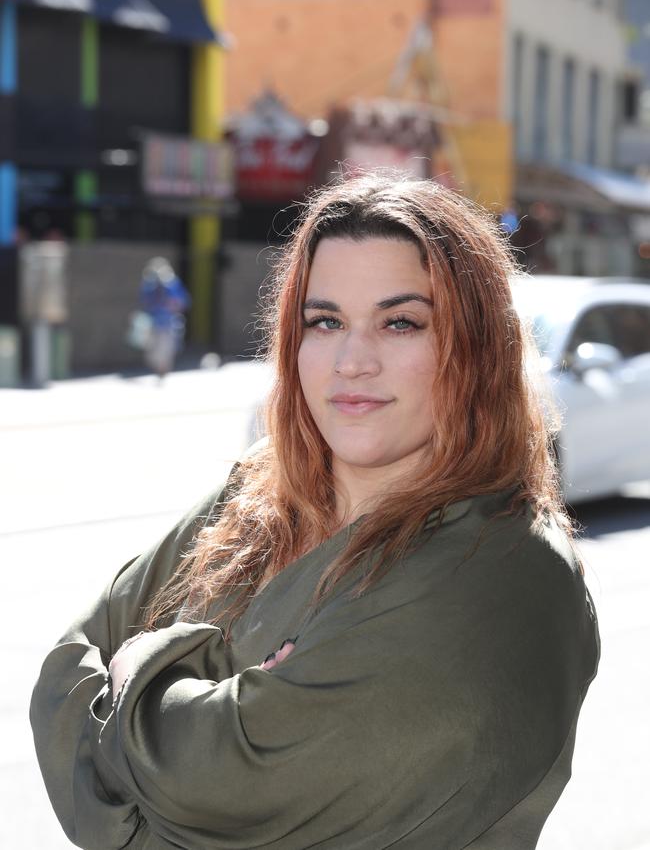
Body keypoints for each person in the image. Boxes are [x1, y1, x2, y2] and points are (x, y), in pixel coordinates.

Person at [30, 173, 599, 850]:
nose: (352, 361)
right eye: (325, 321)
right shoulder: (257, 490)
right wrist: (192, 712)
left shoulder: (509, 571)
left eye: (401, 322)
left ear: (476, 347)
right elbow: (62, 674)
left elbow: (224, 785)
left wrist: (136, 667)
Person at [138, 257, 190, 379]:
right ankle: (159, 367)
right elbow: (144, 300)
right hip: (153, 322)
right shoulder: (148, 284)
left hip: (169, 322)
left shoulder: (172, 283)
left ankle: (163, 368)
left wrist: (174, 303)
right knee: (152, 351)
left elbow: (184, 300)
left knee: (167, 348)